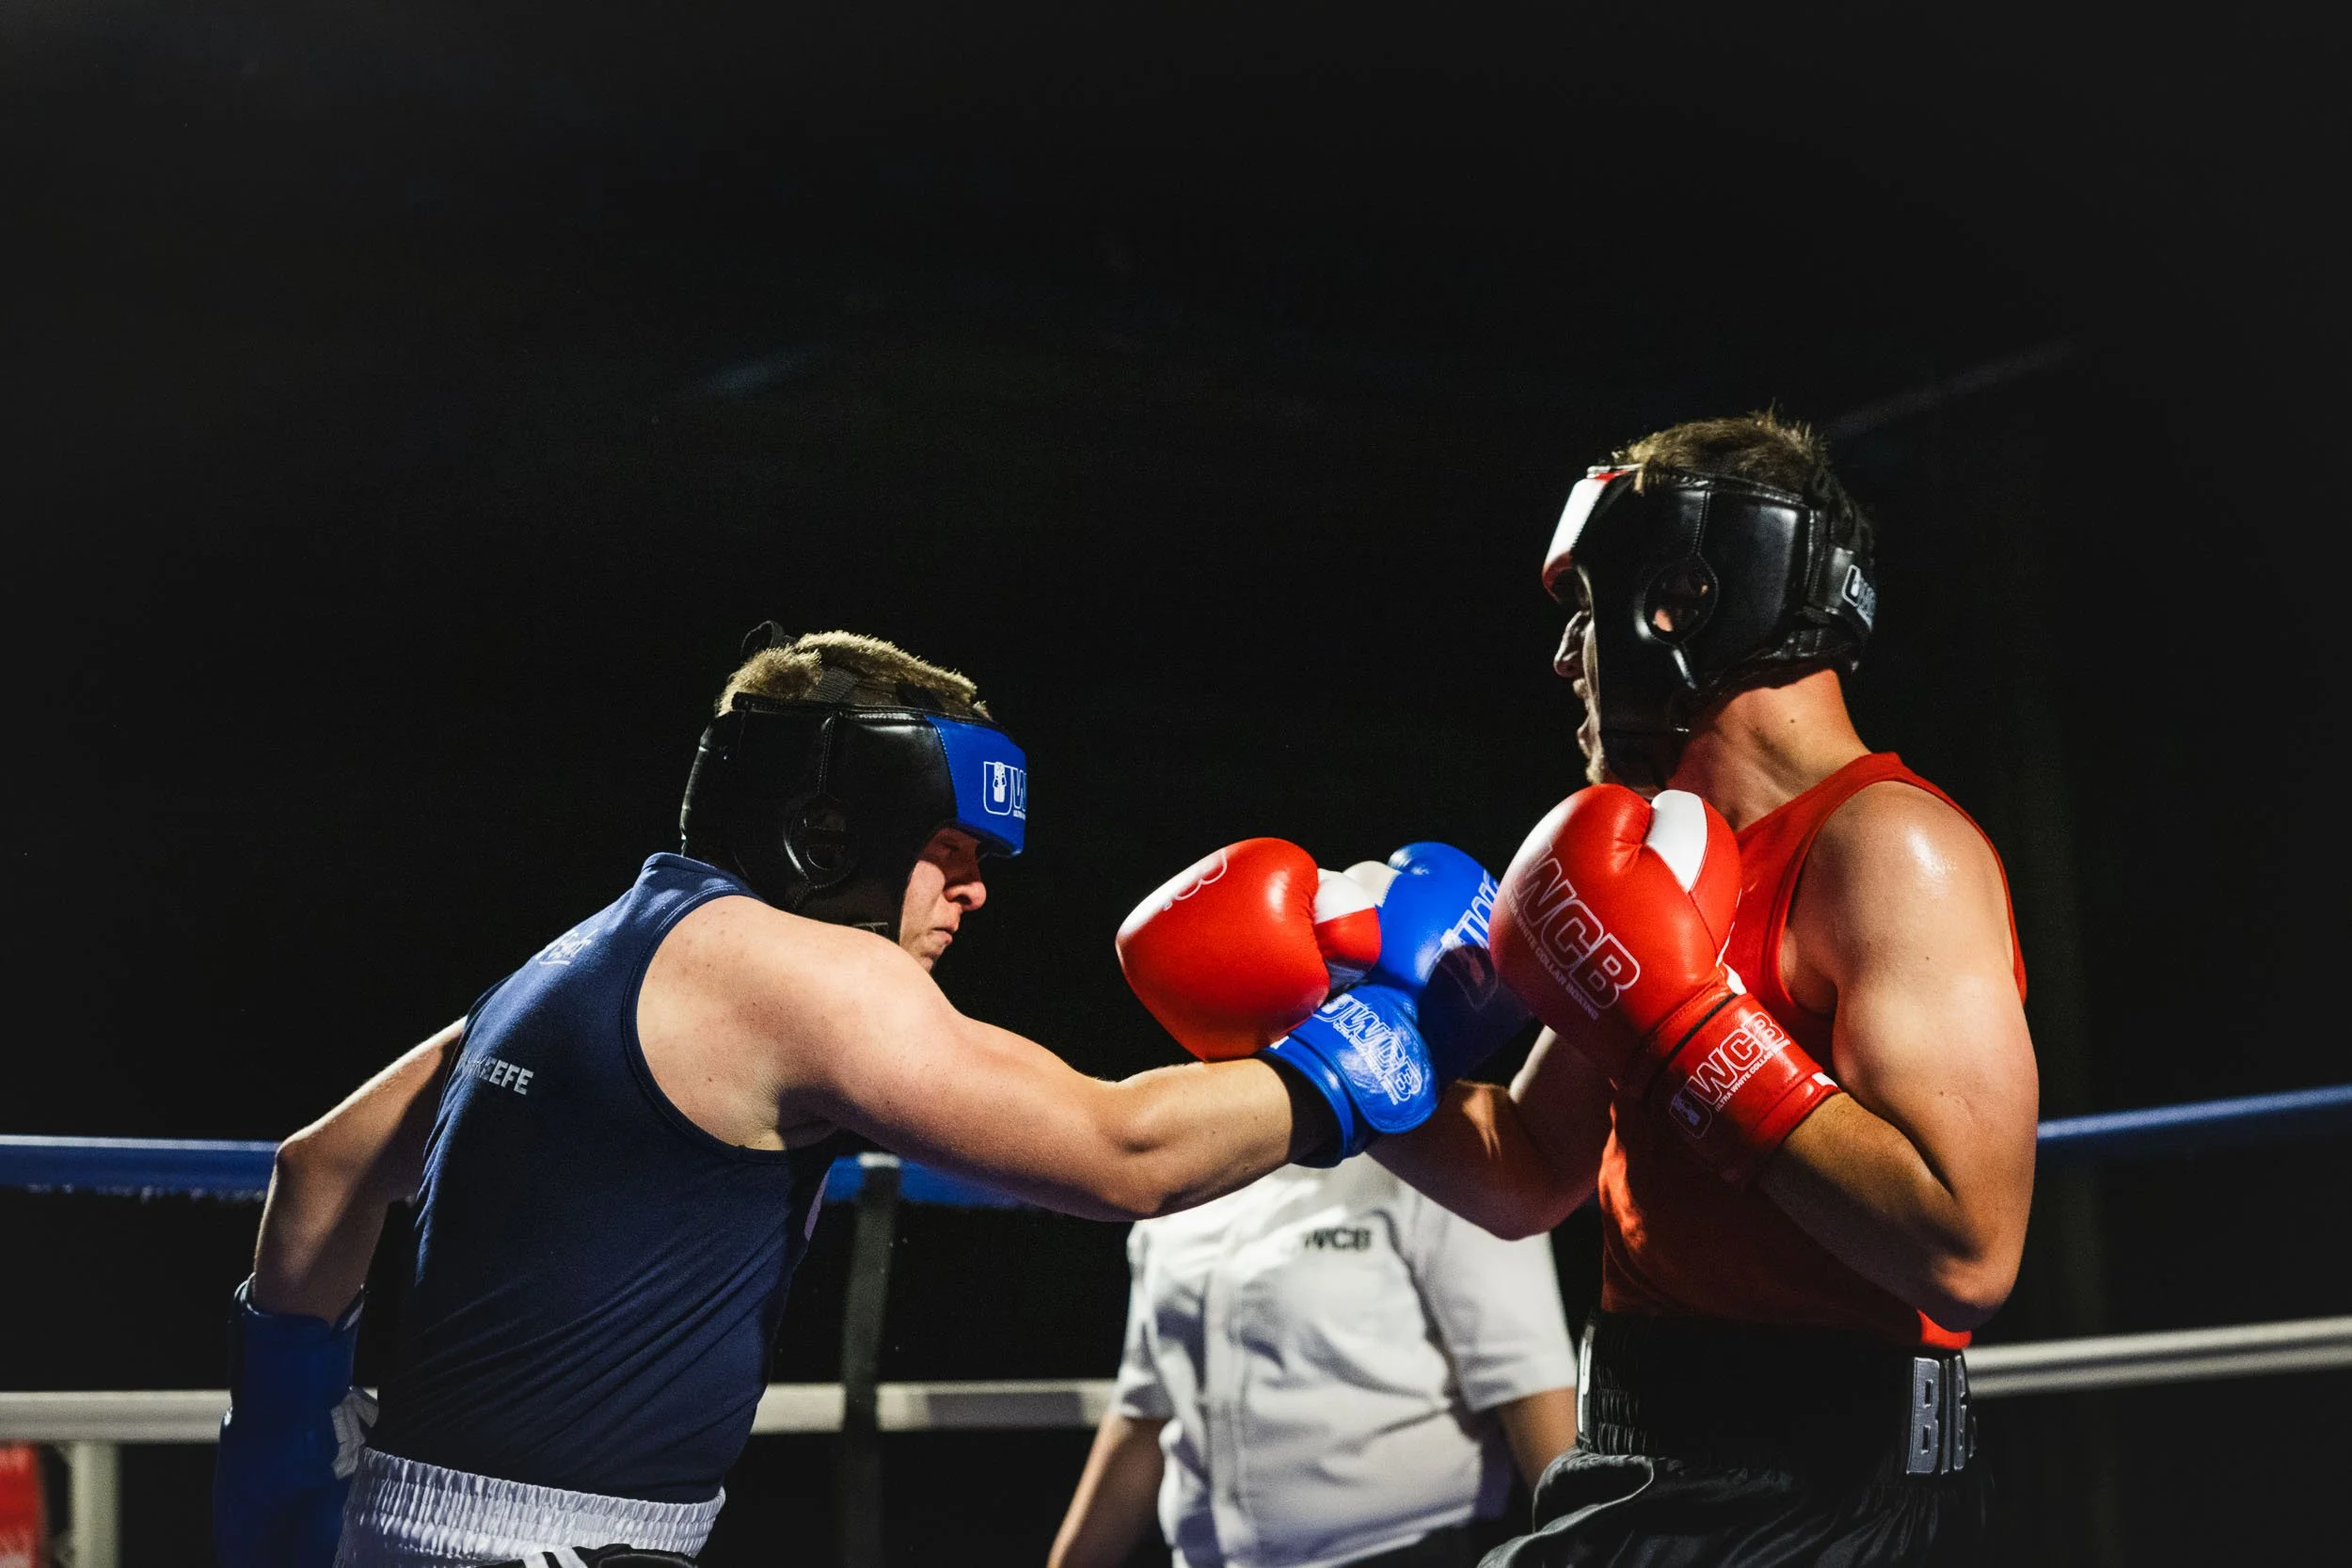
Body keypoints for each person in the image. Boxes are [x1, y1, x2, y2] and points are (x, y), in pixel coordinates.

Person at [214, 626, 1510, 1568]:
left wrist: (277, 1470)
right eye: (952, 852)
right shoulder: (812, 973)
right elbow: (1127, 1153)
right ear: (831, 831)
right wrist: (1372, 1040)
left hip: (394, 1524)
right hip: (555, 1546)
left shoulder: (576, 956)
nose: (974, 892)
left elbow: (320, 1165)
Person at [1375, 413, 2040, 1566]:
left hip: (1826, 1491)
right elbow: (1530, 1166)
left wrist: (1685, 1032)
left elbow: (1966, 1248)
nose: (1564, 654)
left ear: (1677, 600)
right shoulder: (1663, 855)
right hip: (1635, 1447)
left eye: (1587, 607)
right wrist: (1320, 1040)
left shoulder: (1886, 850)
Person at [1047, 1147, 1578, 1568]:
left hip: (1399, 1552)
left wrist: (1587, 1556)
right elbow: (1145, 1412)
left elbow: (1532, 1388)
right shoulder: (1182, 1190)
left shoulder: (1438, 1166)